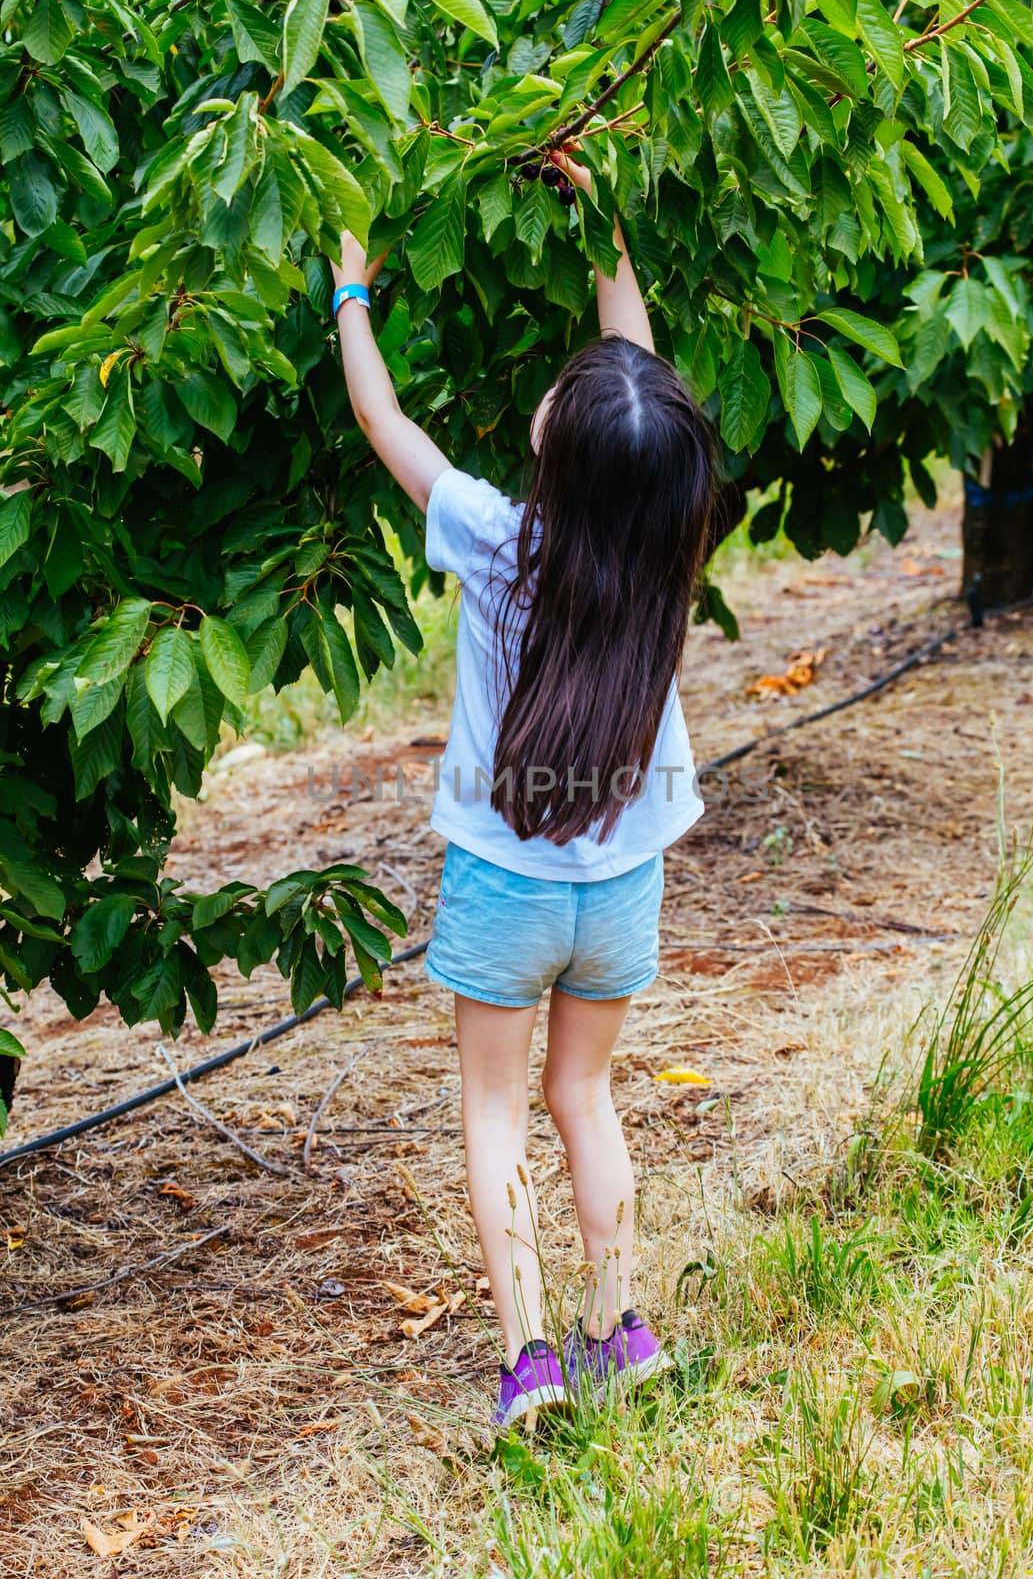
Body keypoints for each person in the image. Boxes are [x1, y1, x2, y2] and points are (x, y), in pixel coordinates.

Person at [330, 148, 723, 1431]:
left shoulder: (499, 539)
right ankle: (621, 1331)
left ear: (558, 447)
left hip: (503, 882)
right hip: (619, 885)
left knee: (493, 1108)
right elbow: (638, 380)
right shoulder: (667, 551)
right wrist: (606, 224)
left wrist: (350, 294)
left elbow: (385, 425)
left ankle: (529, 1360)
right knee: (585, 1097)